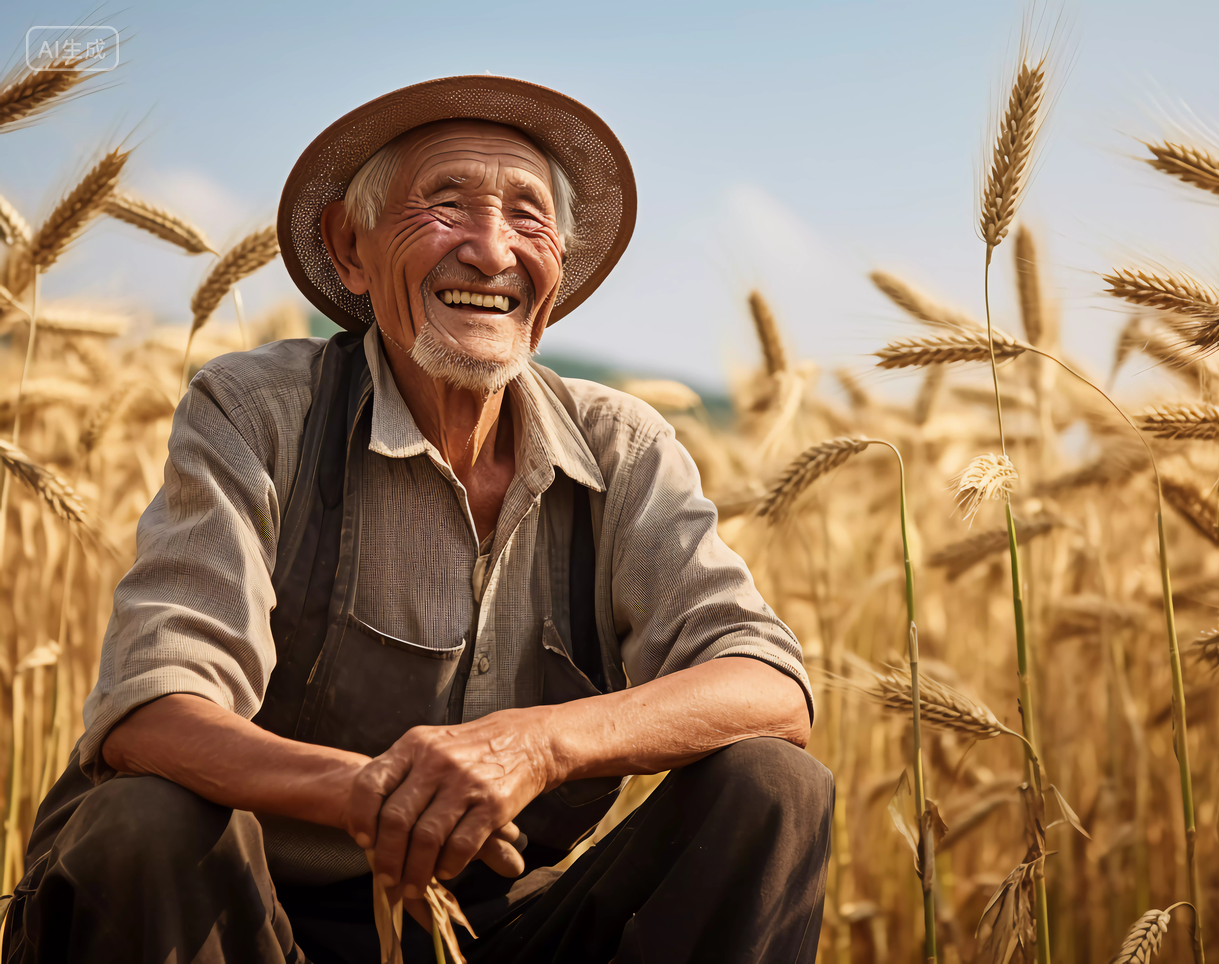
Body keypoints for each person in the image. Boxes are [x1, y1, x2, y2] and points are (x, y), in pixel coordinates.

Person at [3, 75, 832, 964]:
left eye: (527, 215)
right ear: (349, 249)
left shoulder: (623, 447)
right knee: (147, 820)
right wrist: (374, 795)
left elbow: (769, 684)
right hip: (242, 912)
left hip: (496, 925)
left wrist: (537, 744)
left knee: (773, 786)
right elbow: (153, 712)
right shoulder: (258, 413)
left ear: (557, 264)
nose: (491, 249)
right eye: (446, 205)